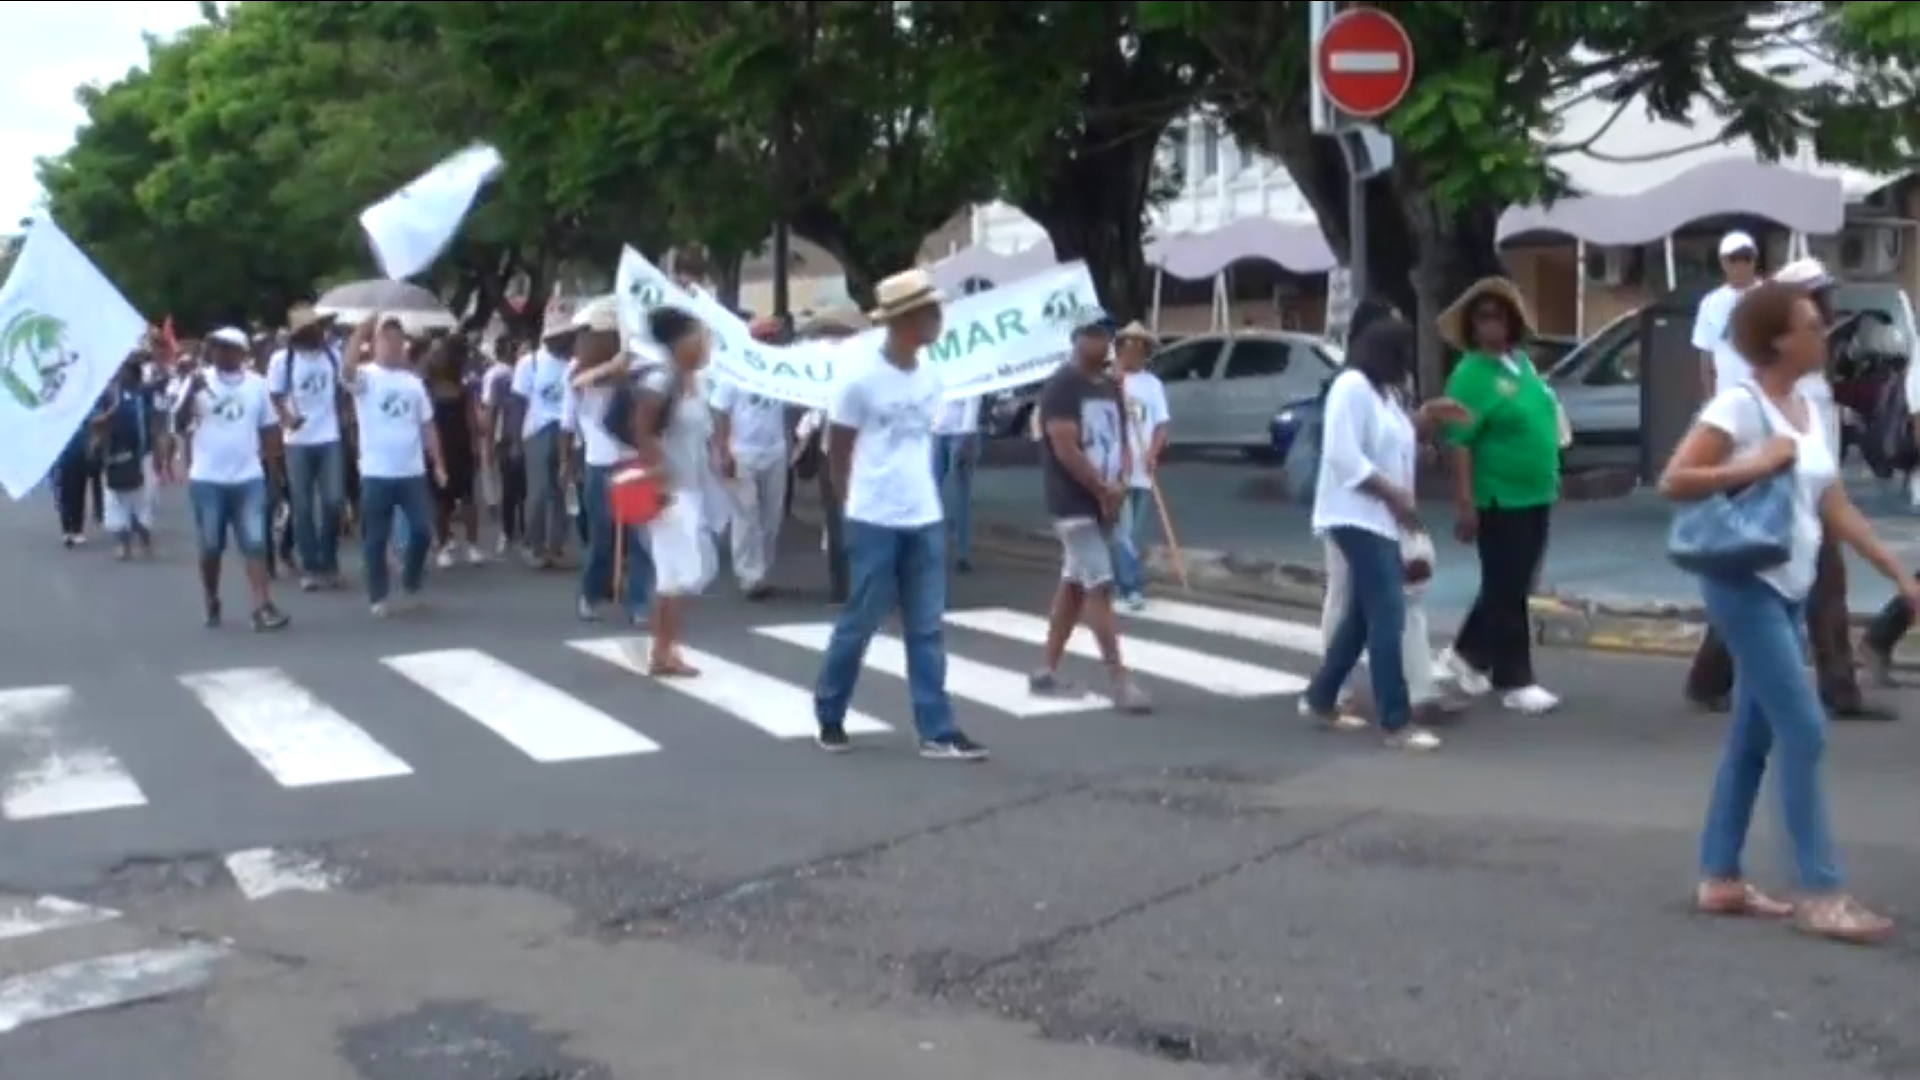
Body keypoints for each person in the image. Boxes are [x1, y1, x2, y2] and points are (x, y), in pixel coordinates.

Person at [1659, 280, 1912, 943]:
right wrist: (1753, 465)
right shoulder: (1739, 407)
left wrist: (1896, 573)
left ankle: (1720, 877)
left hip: (1792, 587)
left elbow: (1831, 503)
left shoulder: (1808, 404)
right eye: (1810, 325)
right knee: (1804, 729)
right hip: (1746, 587)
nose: (1824, 335)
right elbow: (1675, 479)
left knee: (1754, 737)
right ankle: (1821, 892)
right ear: (1777, 339)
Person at [1685, 259, 1894, 720]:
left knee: (1825, 588)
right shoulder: (1759, 365)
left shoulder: (1811, 364)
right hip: (1771, 496)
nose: (1828, 305)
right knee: (1763, 588)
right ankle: (1712, 680)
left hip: (1812, 492)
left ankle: (1838, 690)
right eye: (1818, 296)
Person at [812, 269, 986, 760]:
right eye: (931, 311)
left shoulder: (931, 376)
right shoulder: (860, 380)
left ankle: (937, 728)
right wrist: (851, 506)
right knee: (861, 620)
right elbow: (838, 450)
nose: (939, 319)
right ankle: (830, 711)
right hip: (874, 517)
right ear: (906, 319)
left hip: (923, 514)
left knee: (927, 626)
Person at [1298, 319, 1465, 751]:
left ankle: (1319, 698)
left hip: (1383, 518)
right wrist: (1392, 493)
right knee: (1388, 614)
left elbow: (1398, 445)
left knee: (1358, 619)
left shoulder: (1385, 397)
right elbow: (1341, 454)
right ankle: (1396, 721)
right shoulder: (1351, 386)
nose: (1407, 366)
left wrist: (1427, 422)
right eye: (1402, 355)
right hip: (1354, 515)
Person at [1436, 278, 1562, 714]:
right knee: (1508, 588)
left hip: (1536, 492)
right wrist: (1466, 503)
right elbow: (1461, 442)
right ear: (1473, 325)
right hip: (1498, 497)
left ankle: (1467, 654)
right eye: (1482, 316)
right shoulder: (1470, 374)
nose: (1492, 324)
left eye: (1499, 315)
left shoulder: (1521, 365)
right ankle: (1514, 680)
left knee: (1511, 582)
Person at [1026, 311, 1152, 712]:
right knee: (1100, 583)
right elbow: (1065, 447)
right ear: (1076, 339)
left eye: (1106, 334)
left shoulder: (1110, 386)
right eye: (1093, 334)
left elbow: (1119, 439)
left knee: (1075, 584)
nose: (1101, 342)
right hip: (1073, 501)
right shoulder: (1062, 387)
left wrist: (1119, 486)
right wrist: (1100, 488)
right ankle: (1119, 680)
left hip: (1106, 497)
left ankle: (1046, 669)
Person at [174, 327, 289, 630]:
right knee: (211, 546)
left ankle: (261, 606)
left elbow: (269, 431)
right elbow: (178, 423)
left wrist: (274, 476)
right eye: (216, 348)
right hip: (207, 479)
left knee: (255, 542)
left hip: (248, 477)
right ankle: (211, 596)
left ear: (242, 353)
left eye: (228, 348)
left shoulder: (257, 386)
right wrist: (190, 395)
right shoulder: (197, 381)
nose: (221, 353)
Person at [630, 305, 723, 675]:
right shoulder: (661, 381)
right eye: (699, 337)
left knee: (685, 572)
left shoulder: (692, 381)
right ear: (680, 341)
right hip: (670, 491)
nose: (705, 345)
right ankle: (664, 651)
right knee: (673, 573)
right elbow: (642, 429)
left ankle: (666, 647)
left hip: (692, 486)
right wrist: (657, 475)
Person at [342, 314, 448, 616]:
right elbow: (346, 371)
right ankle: (378, 594)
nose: (391, 345)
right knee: (375, 538)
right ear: (375, 344)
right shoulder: (366, 377)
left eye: (396, 340)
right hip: (376, 472)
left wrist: (438, 463)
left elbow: (428, 426)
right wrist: (360, 331)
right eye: (385, 339)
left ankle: (411, 579)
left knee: (422, 531)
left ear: (404, 344)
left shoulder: (413, 383)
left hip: (412, 470)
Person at [569, 300, 653, 624]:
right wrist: (617, 364)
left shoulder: (637, 368)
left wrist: (628, 362)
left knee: (639, 539)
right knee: (602, 538)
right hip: (600, 464)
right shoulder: (580, 371)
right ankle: (591, 594)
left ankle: (639, 603)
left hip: (633, 461)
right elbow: (583, 383)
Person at [265, 303, 349, 591]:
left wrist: (342, 418)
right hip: (297, 441)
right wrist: (287, 419)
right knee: (301, 505)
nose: (318, 333)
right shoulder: (282, 360)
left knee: (334, 501)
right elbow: (274, 396)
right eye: (312, 329)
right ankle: (311, 566)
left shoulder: (332, 356)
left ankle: (329, 559)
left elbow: (340, 391)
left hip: (329, 437)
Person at [712, 317, 794, 599]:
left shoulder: (782, 371)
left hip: (775, 451)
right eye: (766, 339)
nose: (771, 343)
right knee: (746, 516)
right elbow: (720, 413)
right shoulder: (733, 372)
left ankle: (764, 570)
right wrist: (723, 451)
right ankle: (749, 575)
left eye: (774, 339)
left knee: (772, 516)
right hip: (742, 452)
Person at [1109, 321, 1168, 609]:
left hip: (1143, 471)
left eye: (1139, 348)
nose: (1132, 353)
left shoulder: (1152, 385)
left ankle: (1122, 584)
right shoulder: (1109, 382)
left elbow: (1161, 426)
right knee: (1121, 530)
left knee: (1134, 534)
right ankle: (1131, 586)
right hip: (1115, 470)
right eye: (1127, 347)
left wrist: (1152, 453)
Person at [509, 322, 578, 569]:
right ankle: (533, 544)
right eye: (562, 337)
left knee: (563, 490)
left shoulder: (573, 363)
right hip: (538, 431)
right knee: (539, 492)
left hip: (568, 432)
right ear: (549, 338)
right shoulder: (530, 363)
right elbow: (517, 404)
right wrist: (515, 442)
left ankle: (556, 546)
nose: (568, 341)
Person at [423, 337, 485, 567]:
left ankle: (471, 545)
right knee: (442, 500)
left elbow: (471, 419)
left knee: (465, 497)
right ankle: (444, 545)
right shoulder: (427, 389)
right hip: (439, 447)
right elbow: (426, 423)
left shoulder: (463, 388)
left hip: (460, 445)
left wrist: (476, 446)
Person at [95, 355, 158, 559]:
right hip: (115, 454)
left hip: (142, 454)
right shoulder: (107, 396)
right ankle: (123, 544)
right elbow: (97, 424)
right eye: (121, 370)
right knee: (116, 499)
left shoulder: (145, 393)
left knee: (142, 500)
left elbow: (155, 421)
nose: (123, 374)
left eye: (128, 370)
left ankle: (144, 539)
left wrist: (158, 450)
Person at [1691, 231, 1762, 399]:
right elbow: (1706, 356)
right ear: (1723, 262)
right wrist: (1710, 400)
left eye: (1746, 258)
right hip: (1727, 398)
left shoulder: (1769, 296)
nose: (1741, 265)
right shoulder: (1710, 303)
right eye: (1734, 259)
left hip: (1764, 398)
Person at [480, 337, 526, 558]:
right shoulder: (501, 380)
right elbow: (491, 412)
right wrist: (488, 444)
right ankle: (507, 532)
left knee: (526, 489)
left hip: (529, 439)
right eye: (520, 352)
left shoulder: (531, 377)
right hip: (506, 440)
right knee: (510, 489)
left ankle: (527, 532)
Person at [930, 390, 980, 574]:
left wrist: (967, 433)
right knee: (932, 492)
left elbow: (973, 398)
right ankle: (933, 550)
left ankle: (963, 553)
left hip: (961, 432)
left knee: (960, 492)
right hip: (937, 431)